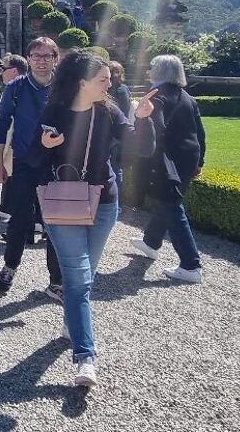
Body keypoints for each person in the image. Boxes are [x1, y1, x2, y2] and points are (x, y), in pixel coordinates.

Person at [38, 50, 155, 387]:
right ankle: (85, 358)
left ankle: (72, 322)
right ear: (81, 83)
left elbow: (139, 149)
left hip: (104, 203)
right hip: (63, 203)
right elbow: (31, 157)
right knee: (79, 280)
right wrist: (44, 144)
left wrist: (144, 119)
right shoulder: (55, 111)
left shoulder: (109, 111)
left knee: (83, 277)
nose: (110, 83)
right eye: (103, 79)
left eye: (109, 78)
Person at [0, 39, 62, 301]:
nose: (41, 60)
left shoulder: (64, 87)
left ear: (55, 58)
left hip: (55, 164)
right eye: (36, 55)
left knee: (54, 222)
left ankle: (56, 280)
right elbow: (2, 125)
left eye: (47, 56)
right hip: (23, 162)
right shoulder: (16, 88)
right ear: (29, 58)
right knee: (19, 220)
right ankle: (10, 265)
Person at [130, 55, 206, 284]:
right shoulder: (187, 98)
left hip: (168, 160)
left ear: (161, 71)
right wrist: (199, 161)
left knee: (172, 206)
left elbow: (155, 130)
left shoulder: (157, 97)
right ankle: (151, 241)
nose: (149, 69)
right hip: (188, 158)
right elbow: (200, 133)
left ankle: (191, 264)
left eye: (152, 66)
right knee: (168, 201)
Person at [0, 53, 28, 222]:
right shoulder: (18, 88)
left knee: (15, 176)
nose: (0, 73)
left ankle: (23, 218)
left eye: (3, 69)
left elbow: (6, 122)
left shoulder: (18, 89)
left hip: (16, 142)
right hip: (16, 141)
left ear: (14, 71)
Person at [107, 61, 133, 194]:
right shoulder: (124, 89)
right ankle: (119, 203)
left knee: (112, 168)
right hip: (121, 130)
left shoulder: (108, 90)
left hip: (109, 132)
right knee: (117, 168)